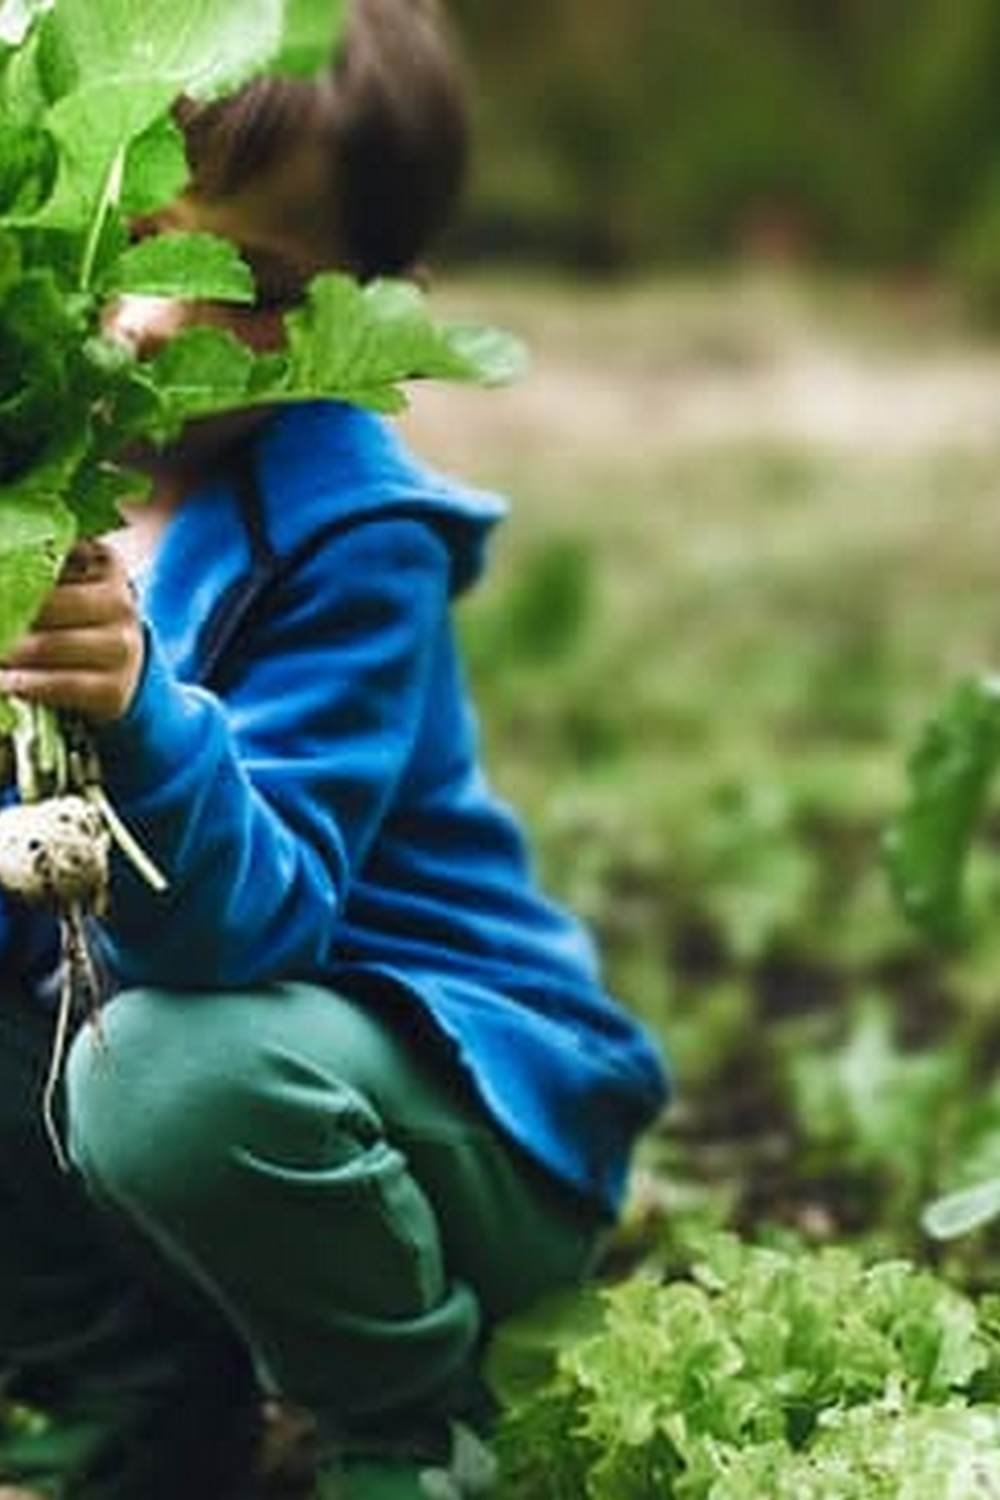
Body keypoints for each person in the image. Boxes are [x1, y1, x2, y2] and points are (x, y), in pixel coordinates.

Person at [0, 2, 669, 1497]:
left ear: (382, 303)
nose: (161, 319)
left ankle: (406, 1423)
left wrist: (136, 709)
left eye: (255, 284)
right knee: (103, 1054)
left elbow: (254, 926)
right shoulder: (31, 491)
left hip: (441, 1119)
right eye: (141, 241)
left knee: (158, 1069)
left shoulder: (354, 544)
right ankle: (136, 1397)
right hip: (201, 1120)